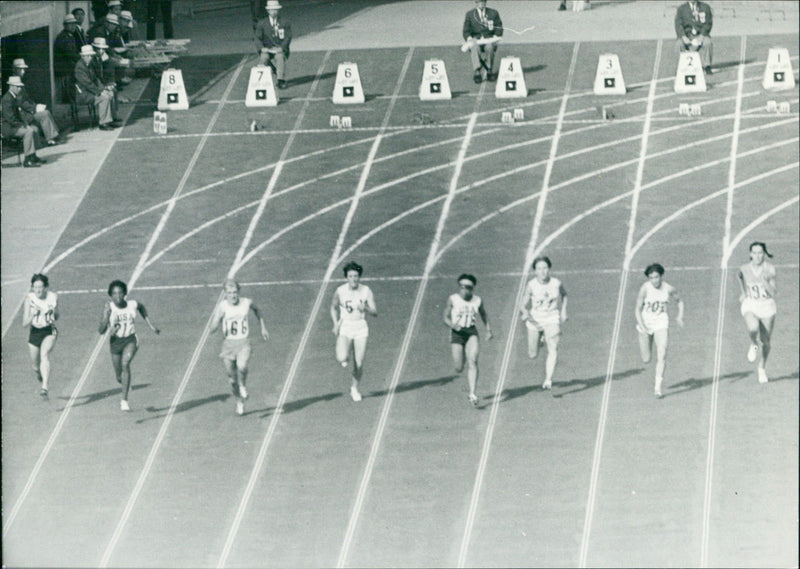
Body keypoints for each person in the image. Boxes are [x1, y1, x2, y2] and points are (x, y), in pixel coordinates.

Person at [209, 280, 269, 416]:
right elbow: (214, 324)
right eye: (229, 293)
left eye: (235, 292)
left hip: (243, 342)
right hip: (228, 345)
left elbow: (257, 310)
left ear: (238, 292)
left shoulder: (246, 303)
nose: (233, 295)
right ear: (225, 294)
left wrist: (263, 327)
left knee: (242, 366)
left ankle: (243, 386)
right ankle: (239, 401)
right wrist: (213, 326)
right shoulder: (223, 306)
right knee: (232, 380)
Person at [98, 280, 160, 411]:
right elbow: (101, 330)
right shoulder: (109, 307)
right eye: (114, 293)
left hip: (130, 340)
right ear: (110, 295)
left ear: (125, 293)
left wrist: (151, 325)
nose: (118, 296)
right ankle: (125, 382)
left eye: (120, 293)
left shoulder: (132, 304)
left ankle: (124, 400)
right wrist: (106, 317)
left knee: (125, 364)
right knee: (119, 376)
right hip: (115, 343)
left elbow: (141, 308)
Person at [634, 263, 684, 398]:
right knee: (646, 359)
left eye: (656, 277)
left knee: (662, 354)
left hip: (661, 323)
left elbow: (679, 301)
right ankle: (644, 338)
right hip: (645, 324)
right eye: (651, 278)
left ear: (661, 276)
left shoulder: (668, 289)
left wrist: (679, 316)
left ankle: (657, 388)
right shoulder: (645, 289)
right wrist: (642, 327)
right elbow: (637, 309)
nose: (654, 280)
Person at [330, 261, 378, 402]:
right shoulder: (340, 291)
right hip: (345, 326)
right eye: (350, 276)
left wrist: (366, 309)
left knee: (359, 363)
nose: (353, 279)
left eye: (356, 276)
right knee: (341, 357)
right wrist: (335, 324)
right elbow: (333, 307)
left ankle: (354, 388)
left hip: (360, 327)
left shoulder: (366, 290)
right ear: (346, 277)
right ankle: (345, 352)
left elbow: (375, 312)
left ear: (359, 277)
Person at [444, 274, 493, 406]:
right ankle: (462, 356)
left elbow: (483, 314)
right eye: (462, 287)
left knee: (473, 361)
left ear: (473, 288)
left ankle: (472, 393)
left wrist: (488, 330)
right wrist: (453, 325)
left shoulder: (477, 300)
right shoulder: (453, 299)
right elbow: (446, 317)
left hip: (471, 332)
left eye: (468, 287)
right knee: (459, 367)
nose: (465, 290)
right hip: (457, 333)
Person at [520, 256, 567, 390]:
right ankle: (541, 336)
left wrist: (563, 311)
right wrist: (524, 312)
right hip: (535, 320)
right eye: (539, 268)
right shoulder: (531, 285)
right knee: (532, 354)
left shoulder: (556, 283)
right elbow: (522, 304)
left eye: (545, 268)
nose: (542, 271)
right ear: (535, 271)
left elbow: (564, 295)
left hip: (551, 318)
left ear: (549, 269)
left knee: (553, 349)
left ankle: (548, 379)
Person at [737, 242, 777, 384]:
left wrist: (764, 282)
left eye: (760, 253)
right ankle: (753, 343)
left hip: (767, 306)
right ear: (750, 254)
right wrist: (743, 293)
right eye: (754, 253)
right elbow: (740, 277)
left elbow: (773, 293)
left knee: (766, 342)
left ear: (764, 254)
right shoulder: (744, 268)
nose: (757, 256)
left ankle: (762, 368)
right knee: (753, 328)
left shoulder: (770, 269)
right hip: (751, 304)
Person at [22, 274, 59, 399]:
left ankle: (44, 387)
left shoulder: (53, 297)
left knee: (44, 354)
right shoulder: (29, 299)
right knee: (35, 366)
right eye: (35, 287)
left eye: (40, 287)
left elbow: (57, 315)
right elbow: (24, 324)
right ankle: (39, 374)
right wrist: (33, 315)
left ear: (46, 287)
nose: (37, 290)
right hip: (35, 332)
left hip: (49, 330)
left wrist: (52, 315)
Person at [10, 59, 61, 146]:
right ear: (15, 69)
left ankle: (53, 137)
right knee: (44, 114)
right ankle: (51, 138)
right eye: (20, 69)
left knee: (45, 112)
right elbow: (20, 102)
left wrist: (35, 106)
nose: (23, 71)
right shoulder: (15, 82)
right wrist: (34, 108)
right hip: (23, 114)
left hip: (27, 111)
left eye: (23, 69)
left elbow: (26, 99)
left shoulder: (20, 80)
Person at [2, 76, 46, 167]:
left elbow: (20, 114)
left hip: (14, 125)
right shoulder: (7, 99)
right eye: (17, 87)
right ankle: (27, 159)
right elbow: (10, 119)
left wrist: (26, 123)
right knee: (28, 131)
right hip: (8, 127)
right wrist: (24, 126)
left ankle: (33, 155)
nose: (19, 88)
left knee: (34, 129)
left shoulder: (14, 97)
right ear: (11, 86)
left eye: (20, 87)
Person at [74, 45, 119, 129]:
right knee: (104, 97)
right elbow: (87, 84)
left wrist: (104, 88)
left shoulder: (90, 64)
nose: (90, 57)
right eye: (88, 55)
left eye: (91, 55)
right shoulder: (79, 67)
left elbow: (96, 79)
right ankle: (103, 123)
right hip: (83, 94)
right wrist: (100, 92)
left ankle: (112, 118)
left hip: (90, 91)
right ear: (83, 56)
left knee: (111, 92)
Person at [254, 0, 292, 89]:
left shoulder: (284, 22)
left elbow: (288, 37)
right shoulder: (262, 23)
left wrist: (282, 48)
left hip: (279, 49)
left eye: (275, 10)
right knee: (264, 58)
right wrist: (262, 48)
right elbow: (257, 38)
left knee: (279, 57)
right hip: (267, 49)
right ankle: (262, 81)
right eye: (271, 10)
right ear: (268, 11)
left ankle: (280, 80)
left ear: (278, 11)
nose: (274, 12)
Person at [462, 0, 503, 84]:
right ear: (476, 3)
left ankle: (489, 70)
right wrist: (470, 39)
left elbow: (499, 27)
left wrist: (496, 37)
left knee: (490, 47)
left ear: (485, 2)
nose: (481, 4)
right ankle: (477, 72)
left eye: (483, 2)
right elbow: (466, 31)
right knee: (474, 47)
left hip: (489, 39)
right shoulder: (469, 14)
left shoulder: (493, 13)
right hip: (476, 40)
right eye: (479, 2)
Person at [675, 0, 713, 75]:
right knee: (679, 44)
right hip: (687, 35)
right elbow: (678, 25)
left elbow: (708, 23)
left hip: (700, 34)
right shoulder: (681, 9)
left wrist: (702, 35)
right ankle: (681, 66)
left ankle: (707, 66)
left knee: (708, 43)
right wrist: (683, 36)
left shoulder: (705, 7)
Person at [54, 14, 82, 103]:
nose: (73, 26)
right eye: (70, 24)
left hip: (68, 64)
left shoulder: (70, 35)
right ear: (65, 25)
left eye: (74, 24)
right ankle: (71, 99)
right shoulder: (63, 37)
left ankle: (76, 96)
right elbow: (70, 54)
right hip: (63, 66)